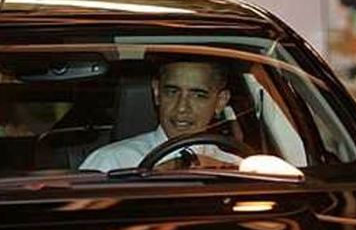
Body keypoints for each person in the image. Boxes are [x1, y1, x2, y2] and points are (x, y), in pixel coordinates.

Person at [79, 60, 239, 172]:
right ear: (156, 93)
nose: (182, 108)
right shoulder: (111, 162)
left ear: (220, 101)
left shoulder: (237, 168)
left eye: (198, 95)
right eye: (172, 92)